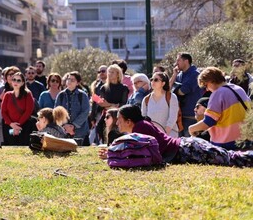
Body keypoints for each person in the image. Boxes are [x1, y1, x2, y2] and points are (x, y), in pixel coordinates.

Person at [99, 104, 253, 167]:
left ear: (129, 121)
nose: (117, 123)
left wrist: (112, 154)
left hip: (187, 149)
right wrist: (112, 154)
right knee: (230, 156)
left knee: (230, 159)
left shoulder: (140, 128)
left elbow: (139, 154)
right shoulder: (138, 128)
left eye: (119, 120)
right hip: (186, 147)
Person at [189, 67, 251, 150]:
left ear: (211, 81)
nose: (206, 89)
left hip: (227, 143)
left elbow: (208, 122)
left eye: (205, 85)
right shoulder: (239, 89)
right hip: (245, 140)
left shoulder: (217, 94)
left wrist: (191, 128)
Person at [170, 52, 202, 136]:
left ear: (186, 61)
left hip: (191, 116)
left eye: (178, 60)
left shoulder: (195, 74)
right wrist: (174, 75)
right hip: (180, 116)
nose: (176, 63)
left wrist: (175, 91)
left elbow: (182, 91)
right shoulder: (179, 75)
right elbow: (168, 89)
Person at [54, 71, 90, 145]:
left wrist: (73, 125)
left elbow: (85, 112)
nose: (69, 81)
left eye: (72, 80)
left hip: (80, 131)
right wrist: (65, 125)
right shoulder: (61, 95)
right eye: (68, 79)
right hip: (64, 130)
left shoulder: (82, 95)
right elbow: (57, 112)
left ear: (77, 83)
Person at [141, 71, 180, 137]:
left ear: (163, 83)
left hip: (169, 135)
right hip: (152, 136)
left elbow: (172, 118)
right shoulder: (146, 99)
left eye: (156, 80)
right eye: (151, 79)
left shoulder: (171, 97)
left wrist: (164, 135)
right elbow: (144, 119)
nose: (153, 82)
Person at [1, 72, 35, 146]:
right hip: (9, 125)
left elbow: (28, 111)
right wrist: (11, 124)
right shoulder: (7, 95)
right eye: (14, 80)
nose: (16, 82)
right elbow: (3, 112)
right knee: (10, 146)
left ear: (23, 83)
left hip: (24, 125)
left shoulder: (28, 94)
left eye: (18, 80)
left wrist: (17, 126)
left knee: (23, 146)